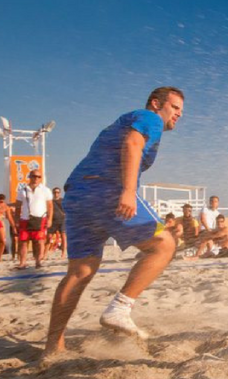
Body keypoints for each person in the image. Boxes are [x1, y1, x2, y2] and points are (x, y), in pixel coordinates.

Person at [44, 86, 184, 358]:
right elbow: (132, 144)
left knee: (80, 271)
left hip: (77, 195)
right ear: (157, 103)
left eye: (181, 110)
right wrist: (129, 192)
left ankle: (53, 347)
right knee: (164, 244)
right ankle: (120, 307)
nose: (179, 114)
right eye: (175, 107)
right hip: (105, 190)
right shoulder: (150, 117)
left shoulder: (125, 120)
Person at [16, 170, 53, 269]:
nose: (36, 178)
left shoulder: (45, 190)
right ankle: (22, 263)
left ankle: (38, 262)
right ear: (30, 176)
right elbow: (18, 206)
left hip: (40, 218)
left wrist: (50, 219)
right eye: (34, 176)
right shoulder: (22, 190)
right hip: (25, 218)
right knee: (23, 241)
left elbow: (50, 206)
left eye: (38, 177)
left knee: (39, 241)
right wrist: (16, 220)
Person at [47, 187, 67, 258]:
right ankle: (45, 253)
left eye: (58, 192)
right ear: (53, 193)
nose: (56, 194)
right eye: (55, 192)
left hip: (62, 220)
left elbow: (68, 208)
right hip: (53, 221)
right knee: (49, 237)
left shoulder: (63, 201)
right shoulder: (50, 201)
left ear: (60, 193)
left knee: (63, 236)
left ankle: (63, 253)